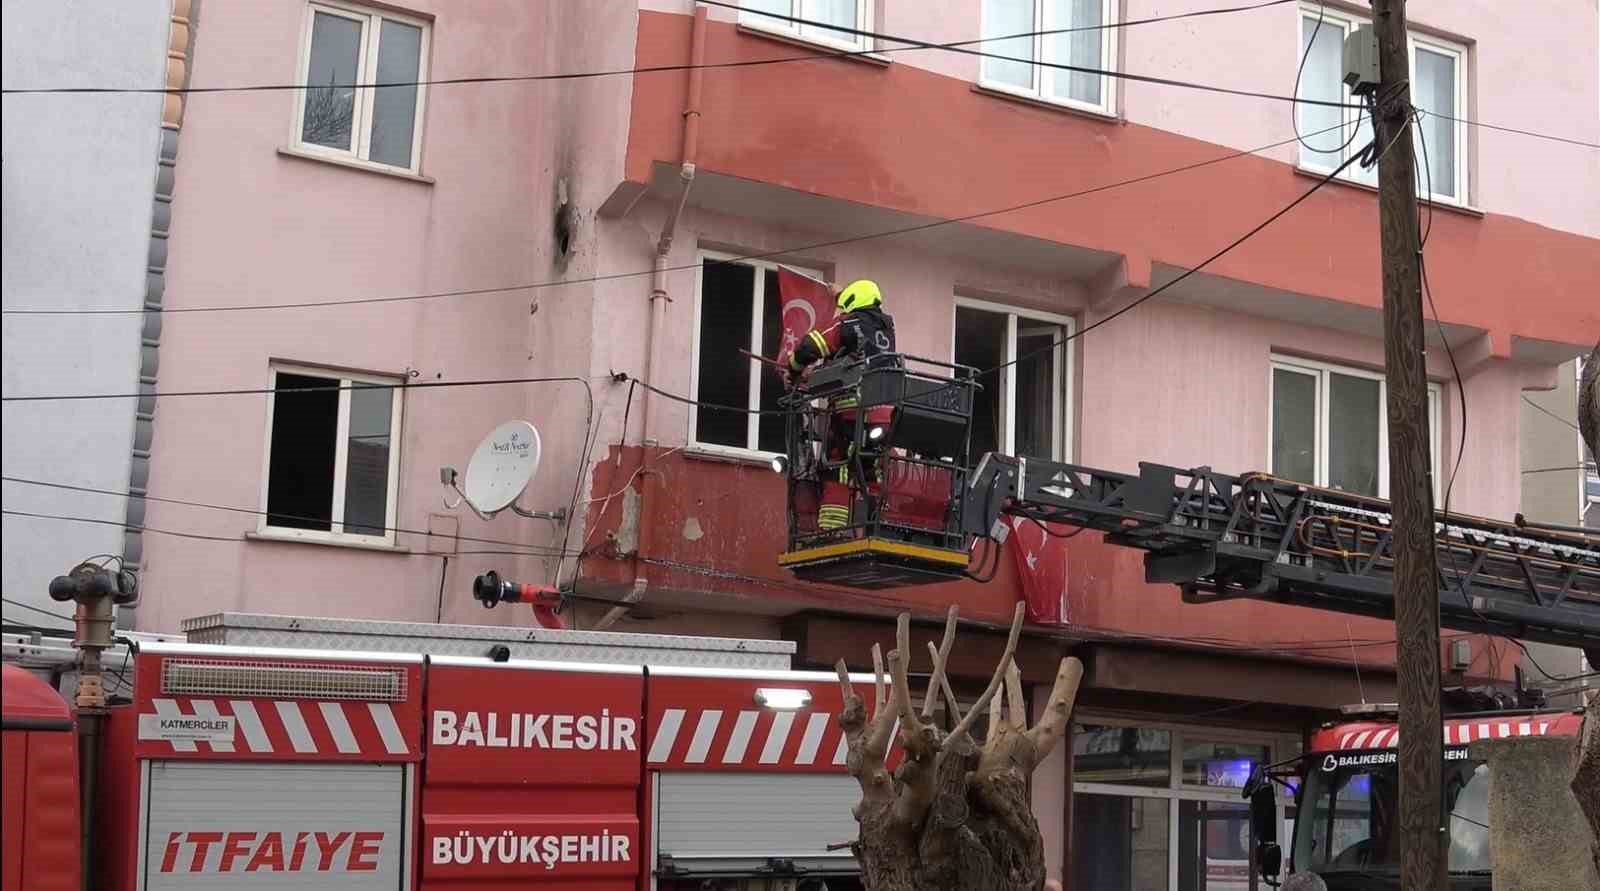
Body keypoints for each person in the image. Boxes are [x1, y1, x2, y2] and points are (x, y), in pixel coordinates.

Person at [786, 279, 897, 530]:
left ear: (853, 303)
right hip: (885, 416)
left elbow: (810, 346)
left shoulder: (847, 325)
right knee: (874, 470)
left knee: (837, 468)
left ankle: (831, 532)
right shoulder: (885, 328)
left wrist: (792, 370)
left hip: (851, 412)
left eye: (845, 307)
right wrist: (838, 295)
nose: (842, 312)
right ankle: (883, 526)